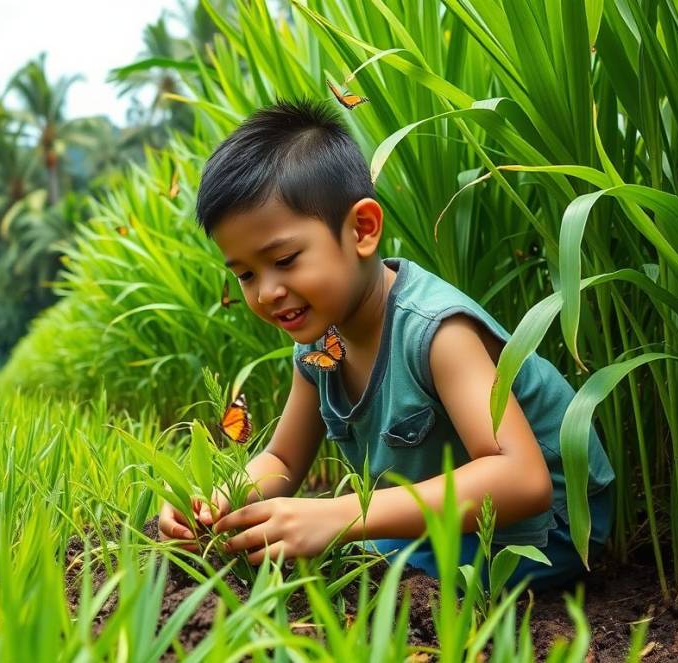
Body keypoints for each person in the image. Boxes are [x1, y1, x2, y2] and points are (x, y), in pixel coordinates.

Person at [157, 98, 615, 590]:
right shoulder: (318, 348)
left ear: (362, 229)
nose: (267, 291)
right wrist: (218, 499)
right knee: (300, 553)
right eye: (246, 274)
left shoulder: (436, 331)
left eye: (285, 260)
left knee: (357, 571)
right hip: (446, 522)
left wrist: (340, 516)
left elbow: (523, 481)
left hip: (544, 532)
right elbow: (284, 461)